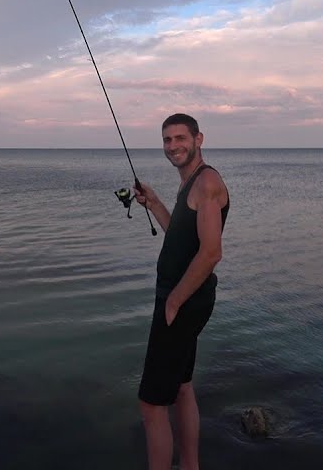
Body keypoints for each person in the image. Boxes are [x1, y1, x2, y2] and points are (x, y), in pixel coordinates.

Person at [132, 112, 230, 470]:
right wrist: (156, 203)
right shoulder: (190, 183)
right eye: (167, 139)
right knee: (183, 387)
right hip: (188, 299)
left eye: (180, 138)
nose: (173, 146)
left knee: (152, 403)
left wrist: (174, 301)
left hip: (184, 301)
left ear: (198, 139)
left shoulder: (207, 183)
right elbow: (182, 239)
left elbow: (211, 252)